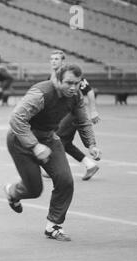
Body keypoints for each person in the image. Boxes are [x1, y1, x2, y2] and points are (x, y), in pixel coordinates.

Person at [4, 64, 101, 241]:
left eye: (77, 83)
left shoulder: (76, 96)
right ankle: (12, 191)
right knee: (34, 190)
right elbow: (16, 119)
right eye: (68, 83)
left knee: (65, 180)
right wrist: (34, 145)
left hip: (49, 138)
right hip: (20, 140)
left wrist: (91, 145)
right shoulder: (41, 93)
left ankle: (53, 225)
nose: (73, 87)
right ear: (57, 80)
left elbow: (83, 120)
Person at [48, 50, 101, 181]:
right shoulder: (52, 77)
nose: (54, 61)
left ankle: (51, 168)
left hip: (73, 112)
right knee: (64, 142)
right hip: (64, 113)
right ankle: (90, 165)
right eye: (52, 59)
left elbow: (89, 91)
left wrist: (93, 110)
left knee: (57, 138)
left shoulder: (72, 76)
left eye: (57, 59)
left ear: (63, 61)